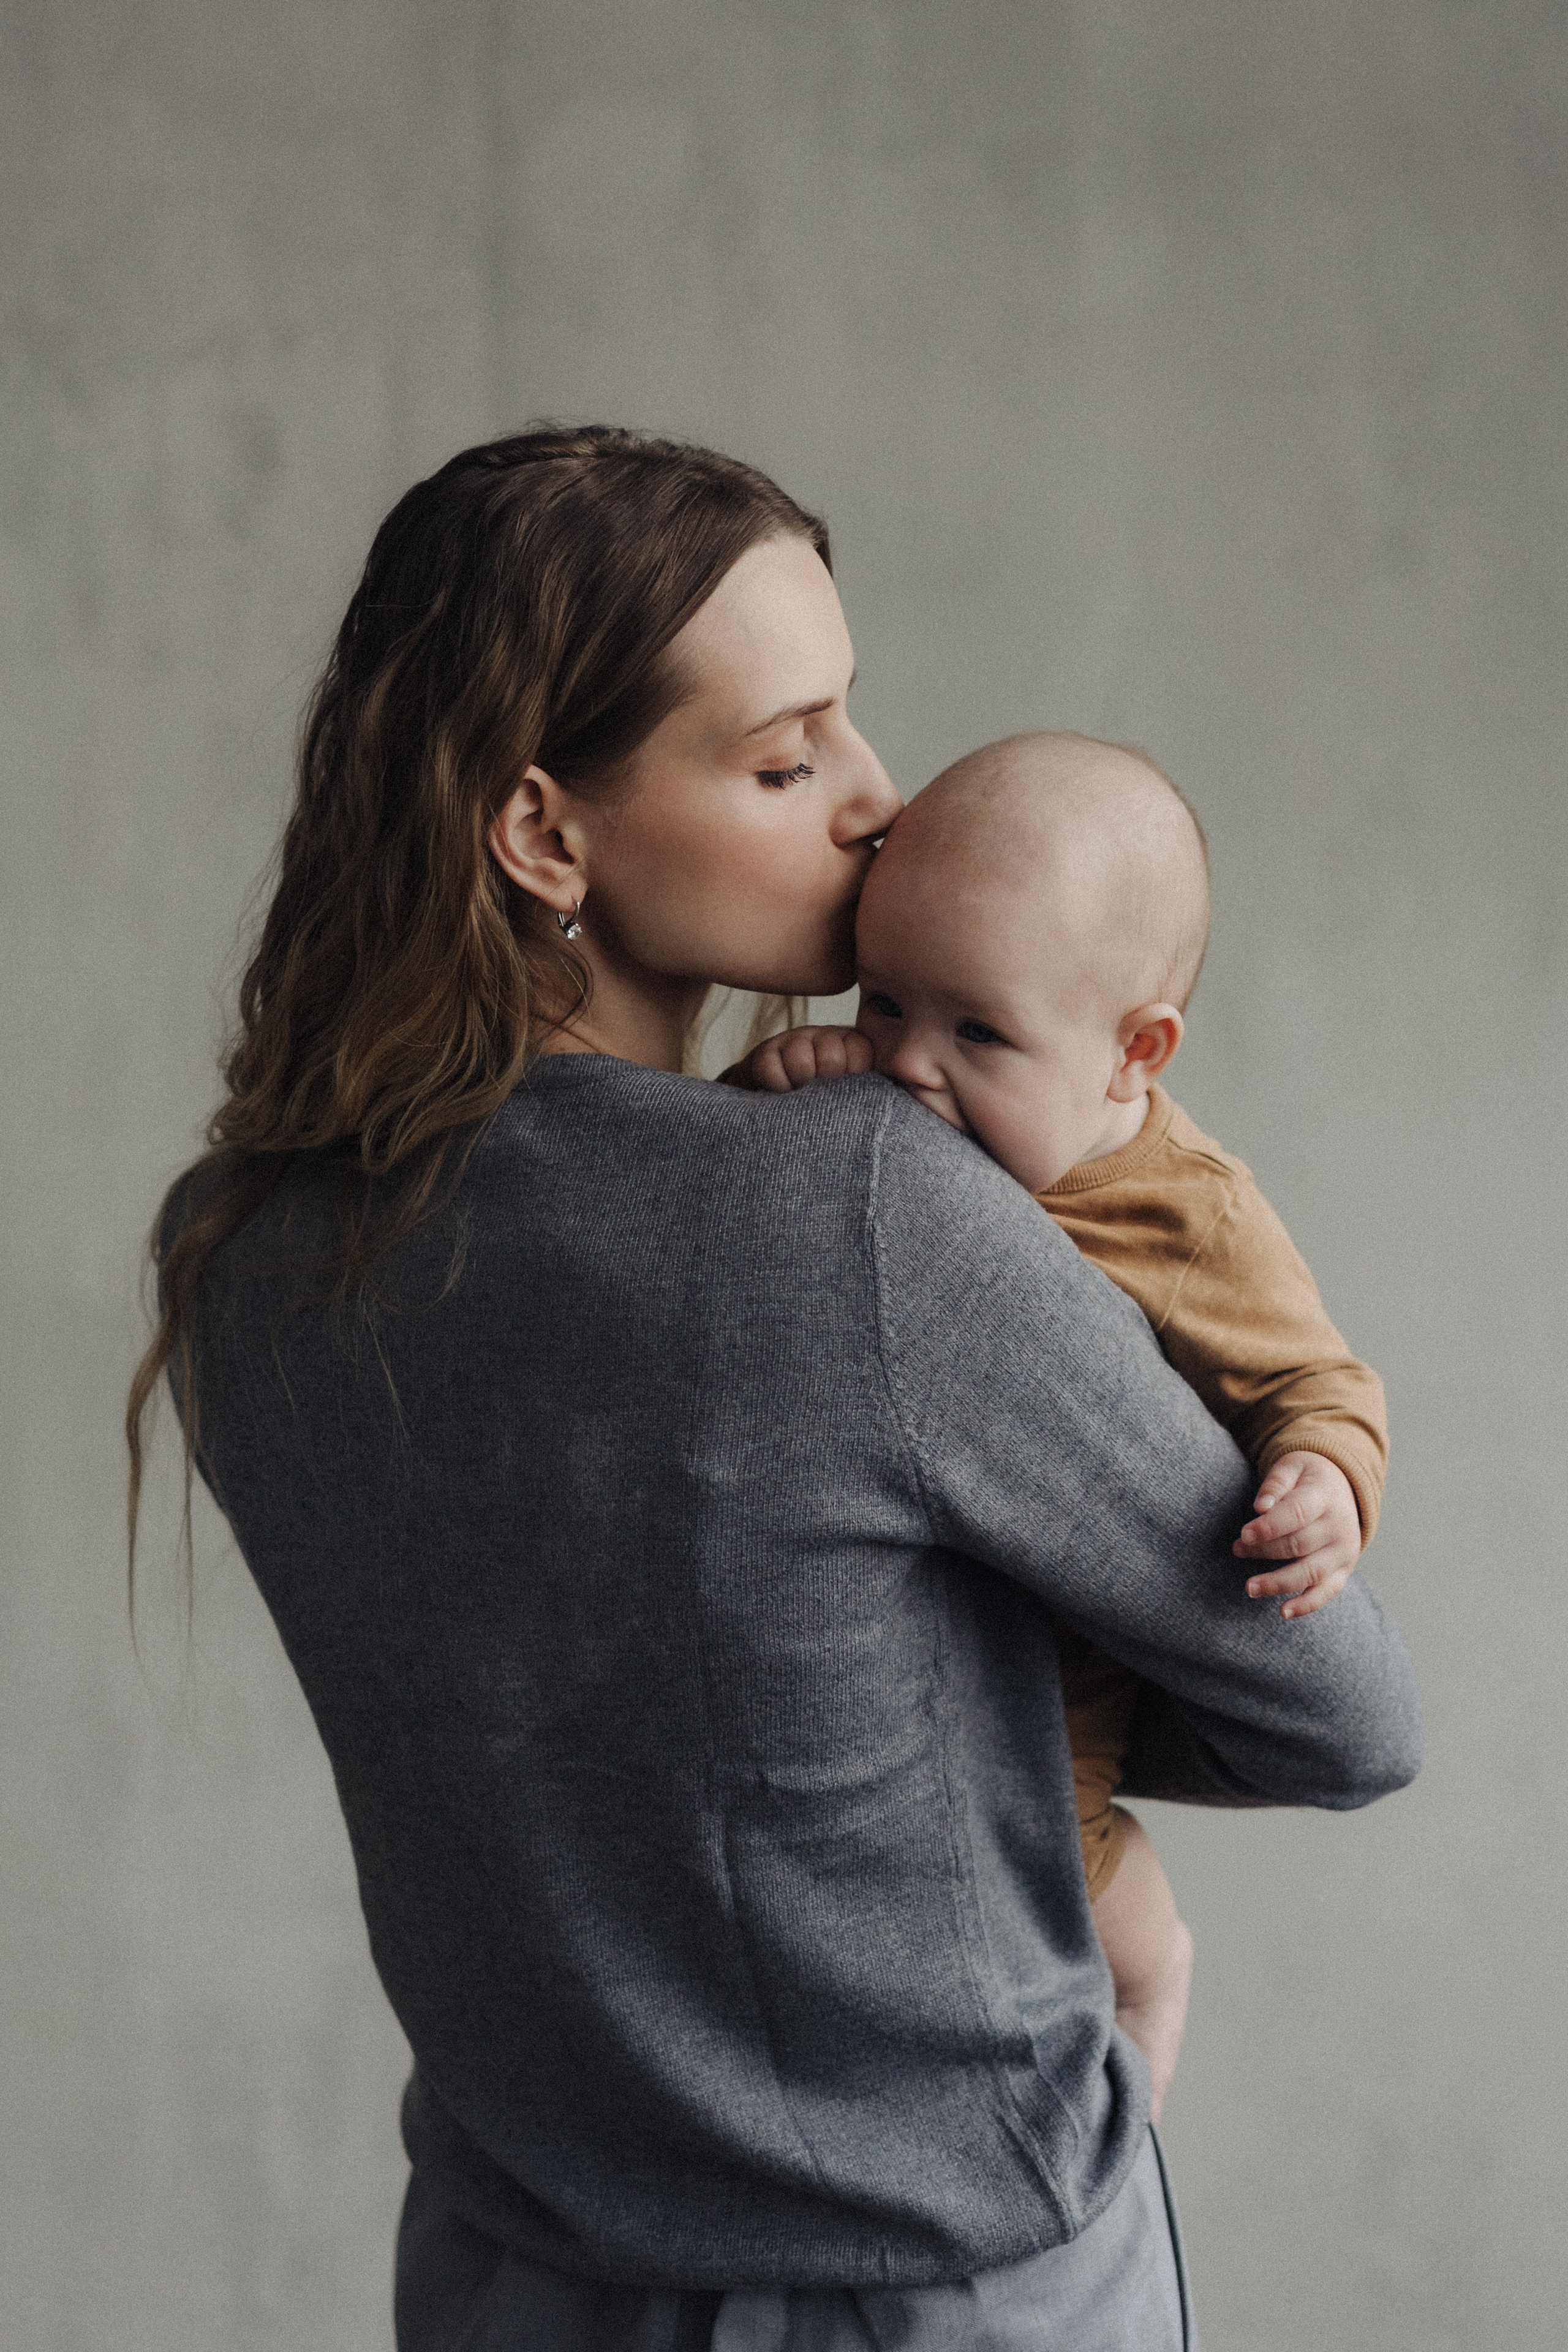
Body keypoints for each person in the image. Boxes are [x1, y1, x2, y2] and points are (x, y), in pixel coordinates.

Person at [127, 428, 1421, 2351]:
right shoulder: (867, 1210)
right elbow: (1344, 1712)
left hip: (509, 2279)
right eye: (788, 757)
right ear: (545, 833)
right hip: (940, 2289)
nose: (883, 802)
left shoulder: (242, 1253)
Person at [731, 730, 1390, 2124]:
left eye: (976, 1033)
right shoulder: (874, 1098)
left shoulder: (1187, 1213)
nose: (909, 1062)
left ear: (1131, 1055)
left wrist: (1324, 1481)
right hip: (901, 1629)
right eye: (884, 1001)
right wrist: (771, 1089)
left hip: (1062, 1690)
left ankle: (1151, 1999)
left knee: (1073, 1880)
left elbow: (1317, 1381)